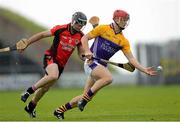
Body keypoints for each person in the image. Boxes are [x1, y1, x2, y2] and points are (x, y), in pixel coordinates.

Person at [53, 9, 157, 120]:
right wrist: (87, 51)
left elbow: (131, 58)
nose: (126, 23)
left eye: (127, 20)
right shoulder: (103, 28)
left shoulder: (123, 41)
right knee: (108, 78)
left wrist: (144, 69)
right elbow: (84, 38)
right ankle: (84, 100)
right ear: (117, 19)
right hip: (91, 62)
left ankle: (60, 110)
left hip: (101, 66)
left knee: (85, 95)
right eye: (124, 20)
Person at [19, 11, 87, 118]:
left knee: (45, 88)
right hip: (51, 57)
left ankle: (31, 106)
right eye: (79, 23)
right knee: (53, 75)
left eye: (83, 24)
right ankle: (28, 91)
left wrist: (84, 56)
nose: (80, 26)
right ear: (73, 21)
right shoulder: (61, 29)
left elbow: (80, 53)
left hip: (61, 64)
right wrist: (27, 43)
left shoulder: (80, 36)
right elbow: (41, 35)